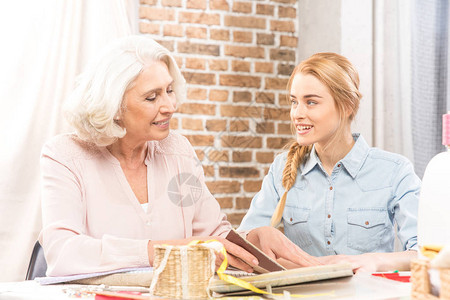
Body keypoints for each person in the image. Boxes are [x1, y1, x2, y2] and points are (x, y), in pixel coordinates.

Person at [39, 35, 321, 277]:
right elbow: (63, 252)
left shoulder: (177, 151)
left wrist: (251, 239)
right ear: (112, 105)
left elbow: (212, 234)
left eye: (170, 91)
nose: (170, 106)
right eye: (152, 97)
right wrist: (164, 250)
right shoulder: (65, 156)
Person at [238, 52, 421, 273]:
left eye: (311, 102)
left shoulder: (394, 171)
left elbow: (427, 252)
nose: (297, 113)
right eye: (294, 102)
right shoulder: (282, 169)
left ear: (347, 106)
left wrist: (376, 261)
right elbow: (244, 246)